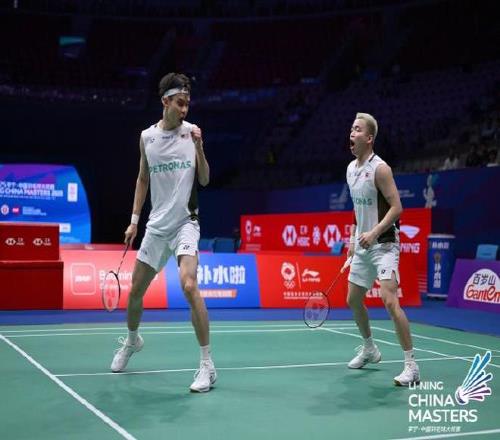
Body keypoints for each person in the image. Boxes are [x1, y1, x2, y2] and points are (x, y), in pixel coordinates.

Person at [110, 72, 216, 393]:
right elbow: (143, 178)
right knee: (135, 292)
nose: (184, 109)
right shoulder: (147, 138)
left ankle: (207, 364)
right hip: (156, 227)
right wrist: (133, 220)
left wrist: (199, 148)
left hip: (186, 223)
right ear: (165, 102)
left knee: (189, 285)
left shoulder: (191, 133)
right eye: (180, 103)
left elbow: (205, 179)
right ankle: (132, 341)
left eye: (187, 104)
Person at [345, 112, 420, 386]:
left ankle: (411, 365)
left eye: (357, 129)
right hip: (363, 245)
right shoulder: (350, 169)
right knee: (353, 299)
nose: (351, 133)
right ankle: (369, 348)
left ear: (369, 138)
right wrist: (353, 239)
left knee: (389, 300)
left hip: (384, 244)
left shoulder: (381, 169)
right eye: (351, 129)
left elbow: (397, 207)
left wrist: (374, 232)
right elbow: (357, 208)